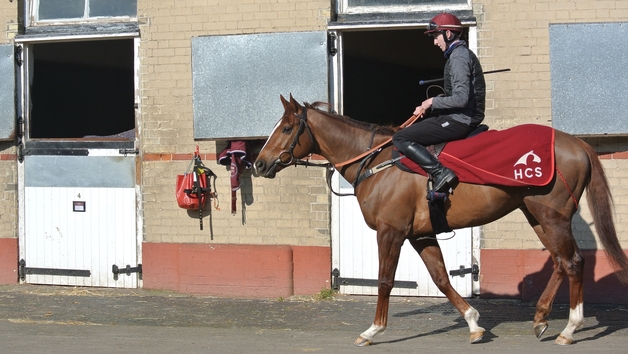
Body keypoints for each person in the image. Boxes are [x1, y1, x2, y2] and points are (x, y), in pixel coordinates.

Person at [392, 12, 486, 193]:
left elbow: (461, 98)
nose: (435, 42)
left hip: (461, 120)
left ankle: (441, 172)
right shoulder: (458, 55)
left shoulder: (459, 57)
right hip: (460, 117)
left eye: (436, 36)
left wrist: (432, 102)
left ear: (448, 34)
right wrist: (429, 104)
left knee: (401, 137)